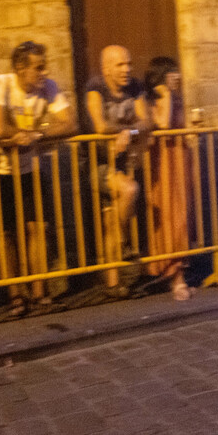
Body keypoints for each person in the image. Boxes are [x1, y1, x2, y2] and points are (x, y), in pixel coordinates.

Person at [0, 40, 77, 315]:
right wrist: (19, 134)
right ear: (19, 68)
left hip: (30, 168)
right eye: (38, 68)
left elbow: (70, 123)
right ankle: (15, 295)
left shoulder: (48, 87)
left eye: (44, 66)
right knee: (5, 234)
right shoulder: (1, 84)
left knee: (38, 228)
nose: (44, 72)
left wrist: (37, 134)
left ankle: (39, 292)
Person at [85, 45, 147, 293]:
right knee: (130, 190)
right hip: (98, 162)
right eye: (120, 64)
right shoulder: (96, 87)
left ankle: (113, 283)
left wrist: (129, 132)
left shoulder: (135, 86)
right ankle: (123, 242)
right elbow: (100, 126)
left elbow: (147, 121)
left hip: (124, 162)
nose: (127, 69)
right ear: (106, 69)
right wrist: (126, 130)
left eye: (128, 63)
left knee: (112, 220)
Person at [144, 56, 192, 300]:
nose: (178, 76)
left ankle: (178, 271)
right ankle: (173, 275)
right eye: (172, 72)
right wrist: (166, 95)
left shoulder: (177, 98)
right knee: (168, 217)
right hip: (161, 161)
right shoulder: (154, 99)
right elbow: (162, 123)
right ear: (162, 76)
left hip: (179, 159)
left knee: (182, 216)